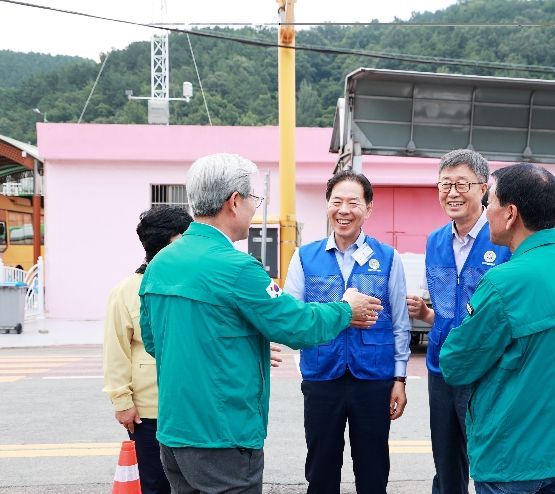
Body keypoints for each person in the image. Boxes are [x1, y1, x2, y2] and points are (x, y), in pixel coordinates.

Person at [139, 153, 383, 494]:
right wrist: (345, 309)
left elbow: (155, 340)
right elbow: (296, 324)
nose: (255, 207)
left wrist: (239, 349)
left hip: (174, 432)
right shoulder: (237, 268)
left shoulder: (160, 263)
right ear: (234, 201)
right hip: (224, 435)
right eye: (253, 198)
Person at [439, 163, 555, 494]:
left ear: (510, 214)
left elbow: (456, 364)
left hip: (512, 458)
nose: (486, 211)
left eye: (490, 202)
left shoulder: (505, 282)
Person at [284, 171, 411, 494]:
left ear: (368, 209)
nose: (344, 210)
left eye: (353, 203)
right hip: (321, 377)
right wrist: (339, 313)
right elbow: (292, 318)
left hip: (373, 380)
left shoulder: (388, 258)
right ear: (327, 205)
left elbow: (400, 323)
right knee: (321, 471)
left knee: (373, 471)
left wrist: (399, 379)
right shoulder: (304, 257)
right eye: (336, 201)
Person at [406, 149, 511, 494]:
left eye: (462, 184)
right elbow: (448, 311)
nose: (452, 193)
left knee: (489, 461)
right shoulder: (435, 241)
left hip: (485, 371)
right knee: (446, 460)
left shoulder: (503, 239)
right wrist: (425, 314)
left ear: (483, 188)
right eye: (445, 184)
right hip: (441, 367)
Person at [103, 206, 192, 494]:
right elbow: (115, 350)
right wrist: (122, 402)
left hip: (193, 405)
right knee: (155, 483)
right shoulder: (126, 291)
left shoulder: (192, 282)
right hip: (150, 410)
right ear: (170, 242)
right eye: (186, 239)